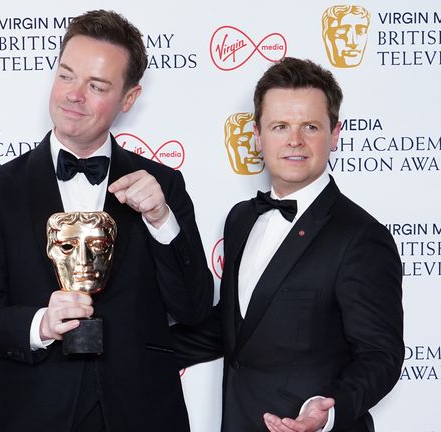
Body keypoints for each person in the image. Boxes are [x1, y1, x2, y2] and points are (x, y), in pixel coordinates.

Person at [0, 9, 213, 432]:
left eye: (96, 86)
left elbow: (194, 308)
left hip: (144, 412)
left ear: (129, 98)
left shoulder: (163, 185)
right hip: (33, 411)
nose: (74, 95)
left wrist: (160, 219)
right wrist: (40, 323)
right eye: (66, 75)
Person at [172, 57, 403, 432]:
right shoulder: (241, 218)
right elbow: (234, 328)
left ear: (334, 134)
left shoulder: (361, 236)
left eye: (310, 126)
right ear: (258, 135)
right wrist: (135, 346)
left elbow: (380, 356)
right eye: (280, 126)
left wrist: (327, 411)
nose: (294, 140)